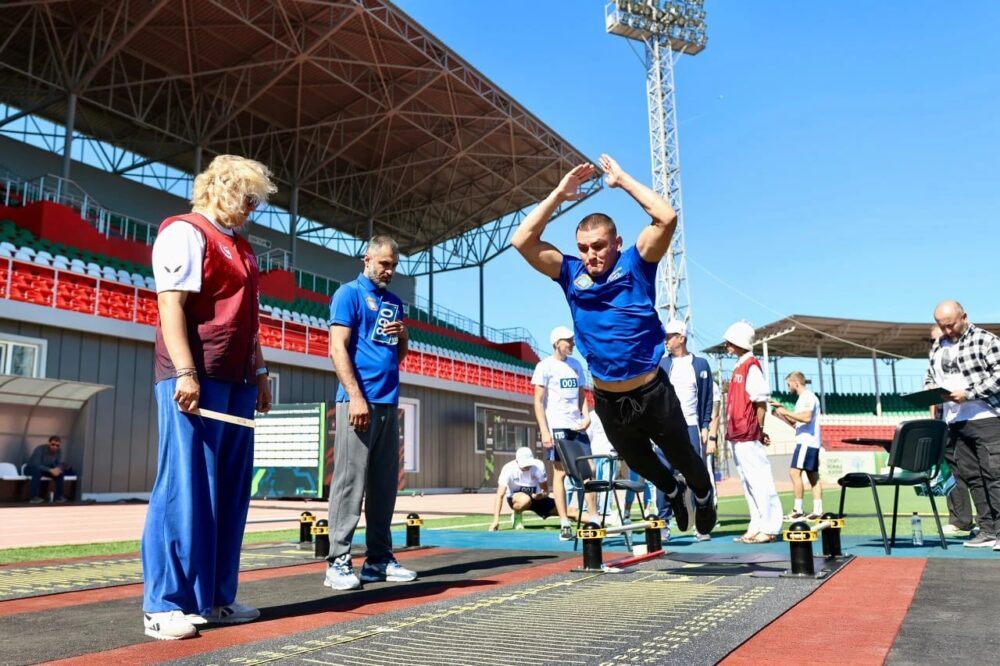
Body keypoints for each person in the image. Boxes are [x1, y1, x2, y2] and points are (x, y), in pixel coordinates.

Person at [511, 154, 716, 538]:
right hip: (608, 398)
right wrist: (559, 194)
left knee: (683, 456)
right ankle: (672, 491)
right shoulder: (570, 273)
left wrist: (621, 180)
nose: (591, 255)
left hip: (652, 392)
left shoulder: (637, 263)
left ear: (616, 243)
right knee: (638, 460)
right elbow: (521, 241)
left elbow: (666, 217)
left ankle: (703, 495)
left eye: (599, 246)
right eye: (584, 247)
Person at [141, 155, 275, 641]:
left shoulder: (243, 246)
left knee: (231, 491)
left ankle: (216, 597)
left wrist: (260, 371)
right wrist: (185, 372)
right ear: (221, 187)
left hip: (238, 379)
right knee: (186, 485)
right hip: (197, 375)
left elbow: (250, 318)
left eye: (257, 200)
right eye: (248, 196)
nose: (253, 207)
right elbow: (170, 306)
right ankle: (164, 603)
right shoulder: (184, 231)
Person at [324, 235, 418, 590]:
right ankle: (337, 561)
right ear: (367, 260)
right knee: (350, 483)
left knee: (383, 487)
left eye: (394, 266)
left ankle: (378, 559)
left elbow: (395, 356)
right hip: (358, 401)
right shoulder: (348, 294)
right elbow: (337, 348)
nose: (389, 271)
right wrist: (355, 397)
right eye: (384, 264)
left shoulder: (393, 303)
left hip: (387, 402)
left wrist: (404, 336)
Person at [926, 300, 1000, 548]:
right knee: (973, 478)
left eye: (950, 325)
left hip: (986, 418)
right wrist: (929, 389)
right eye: (941, 326)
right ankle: (988, 530)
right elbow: (931, 375)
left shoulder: (985, 340)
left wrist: (969, 393)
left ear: (964, 317)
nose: (947, 331)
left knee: (995, 476)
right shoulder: (938, 345)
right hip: (955, 421)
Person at [531, 325, 596, 540]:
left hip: (577, 425)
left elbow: (581, 394)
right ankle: (565, 522)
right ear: (557, 343)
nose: (572, 344)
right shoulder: (544, 366)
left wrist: (586, 416)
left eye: (572, 340)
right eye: (568, 340)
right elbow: (538, 402)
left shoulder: (576, 365)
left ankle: (594, 517)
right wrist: (544, 430)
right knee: (560, 474)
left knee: (589, 471)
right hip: (557, 426)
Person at [723, 321, 782, 544]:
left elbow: (761, 401)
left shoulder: (751, 366)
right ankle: (756, 525)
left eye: (730, 341)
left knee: (760, 479)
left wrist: (759, 429)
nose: (727, 345)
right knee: (748, 481)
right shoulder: (739, 365)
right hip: (736, 432)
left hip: (747, 432)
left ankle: (770, 527)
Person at [659, 319, 716, 540]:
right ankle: (663, 523)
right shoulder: (661, 364)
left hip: (691, 425)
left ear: (681, 338)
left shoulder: (700, 364)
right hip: (666, 427)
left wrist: (705, 425)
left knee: (695, 474)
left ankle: (701, 524)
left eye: (669, 336)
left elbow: (707, 398)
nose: (665, 340)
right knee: (664, 474)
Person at [927, 324, 976, 535]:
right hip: (944, 423)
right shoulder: (935, 361)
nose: (937, 343)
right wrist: (933, 418)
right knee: (951, 472)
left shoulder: (966, 356)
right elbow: (932, 394)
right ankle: (960, 520)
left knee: (977, 471)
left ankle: (989, 522)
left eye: (939, 338)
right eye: (932, 341)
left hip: (970, 420)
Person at [771, 371, 823, 520]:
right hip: (809, 441)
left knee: (794, 473)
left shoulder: (807, 397)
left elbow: (806, 418)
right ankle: (817, 511)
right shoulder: (803, 399)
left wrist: (785, 411)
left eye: (789, 384)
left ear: (796, 383)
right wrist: (782, 413)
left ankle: (798, 510)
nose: (788, 388)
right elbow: (797, 423)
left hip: (806, 442)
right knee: (813, 476)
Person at [488, 447, 557, 531]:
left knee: (570, 512)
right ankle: (517, 515)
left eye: (529, 463)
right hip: (517, 499)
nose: (527, 466)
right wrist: (496, 520)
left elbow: (546, 491)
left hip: (537, 499)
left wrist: (540, 495)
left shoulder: (539, 466)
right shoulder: (508, 469)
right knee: (525, 499)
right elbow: (500, 495)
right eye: (524, 464)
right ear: (517, 461)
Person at [26, 436, 69, 503]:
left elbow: (59, 463)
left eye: (57, 445)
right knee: (37, 472)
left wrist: (57, 469)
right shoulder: (40, 449)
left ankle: (59, 497)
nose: (55, 447)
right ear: (49, 443)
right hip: (31, 468)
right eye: (53, 444)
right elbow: (37, 464)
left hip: (46, 470)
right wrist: (51, 470)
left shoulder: (59, 451)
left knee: (60, 474)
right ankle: (34, 497)